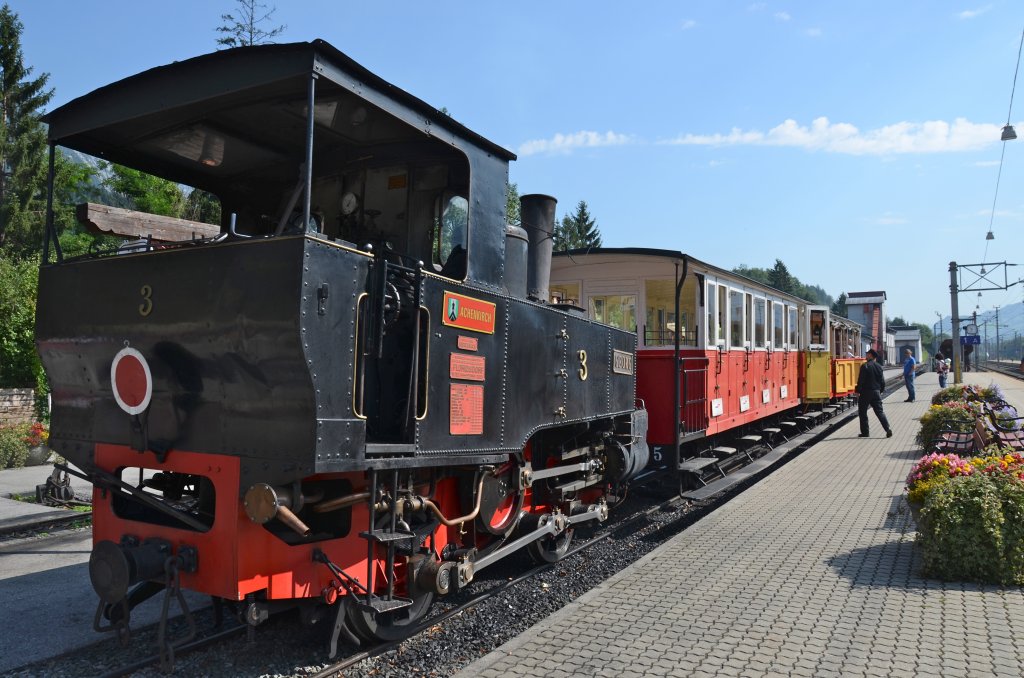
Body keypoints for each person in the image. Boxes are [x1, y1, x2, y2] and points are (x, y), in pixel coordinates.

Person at [856, 349, 892, 438]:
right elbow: (882, 382)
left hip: (865, 392)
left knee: (862, 412)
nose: (866, 355)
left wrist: (858, 391)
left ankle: (865, 432)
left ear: (871, 355)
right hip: (876, 392)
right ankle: (887, 429)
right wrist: (880, 391)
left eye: (867, 354)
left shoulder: (865, 366)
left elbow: (861, 380)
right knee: (880, 412)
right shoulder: (879, 367)